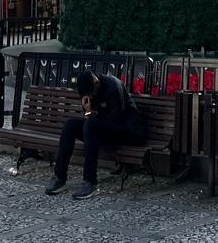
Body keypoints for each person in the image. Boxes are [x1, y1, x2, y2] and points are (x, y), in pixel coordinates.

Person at [46, 70, 144, 200]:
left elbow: (116, 119)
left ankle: (90, 182)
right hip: (102, 130)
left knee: (90, 125)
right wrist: (88, 111)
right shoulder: (87, 89)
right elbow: (90, 117)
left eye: (91, 94)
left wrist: (92, 115)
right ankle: (60, 177)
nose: (90, 98)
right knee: (70, 125)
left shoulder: (113, 86)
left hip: (127, 131)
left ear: (96, 82)